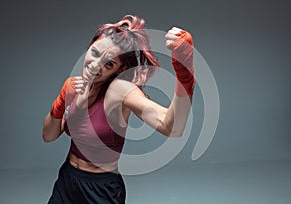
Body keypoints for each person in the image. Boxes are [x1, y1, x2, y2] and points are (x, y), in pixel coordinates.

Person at [42, 14, 195, 204]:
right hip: (67, 180)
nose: (96, 66)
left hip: (101, 190)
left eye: (109, 64)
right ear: (89, 47)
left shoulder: (119, 91)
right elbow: (48, 136)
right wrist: (61, 102)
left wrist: (185, 72)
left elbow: (172, 127)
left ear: (118, 70)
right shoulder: (74, 86)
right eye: (95, 53)